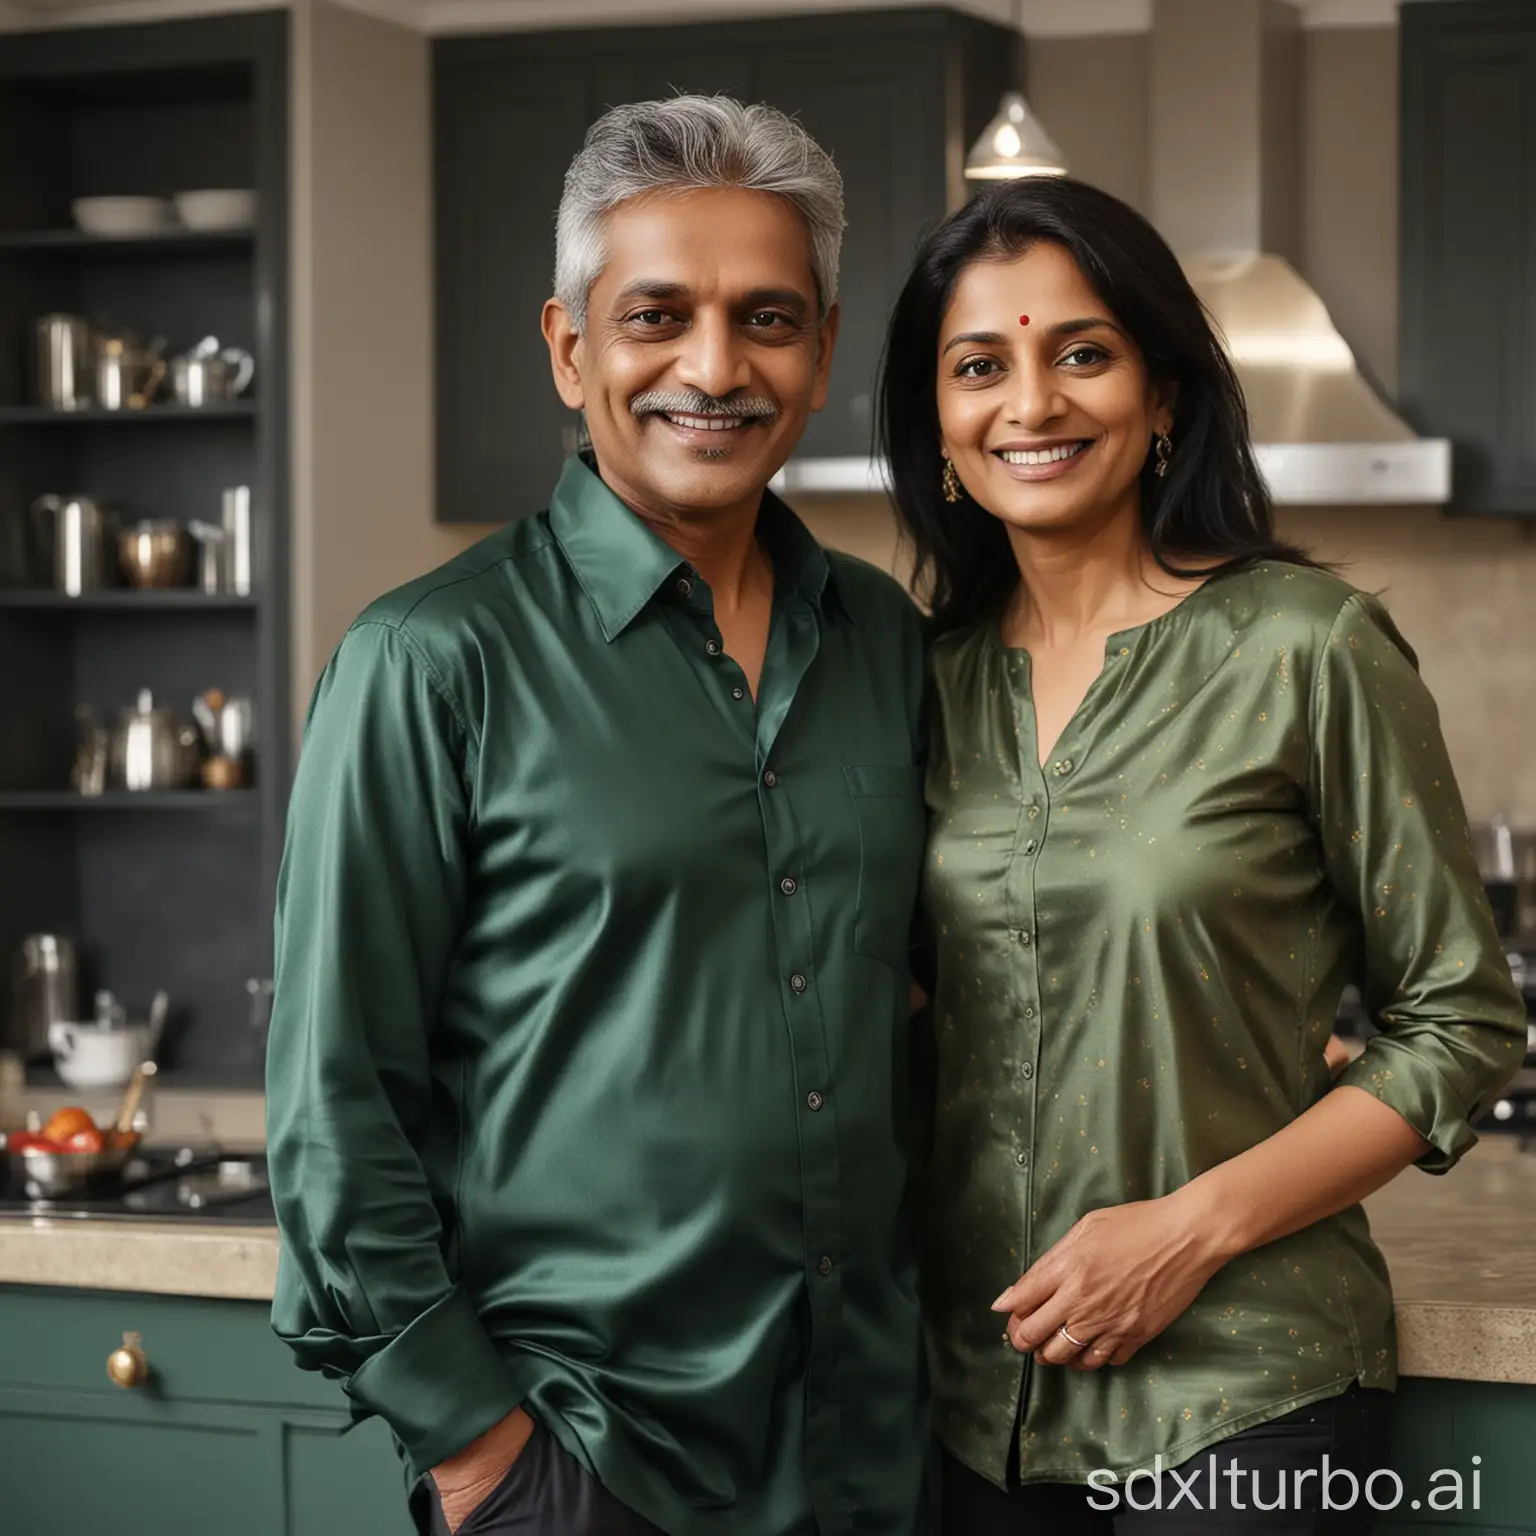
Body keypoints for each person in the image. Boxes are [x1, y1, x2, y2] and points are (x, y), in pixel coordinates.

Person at [266, 96, 932, 1536]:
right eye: (656, 316)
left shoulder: (885, 640)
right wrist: (480, 1449)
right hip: (589, 1466)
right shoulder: (429, 661)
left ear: (821, 351)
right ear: (573, 350)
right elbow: (336, 1101)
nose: (714, 367)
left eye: (766, 318)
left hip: (874, 1451)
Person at [878, 176, 1525, 1533]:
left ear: (1163, 393)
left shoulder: (1307, 647)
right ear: (938, 420)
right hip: (968, 1406)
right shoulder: (914, 690)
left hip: (1246, 1404)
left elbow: (1461, 1024)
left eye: (1084, 354)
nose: (1032, 403)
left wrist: (1186, 1233)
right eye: (980, 365)